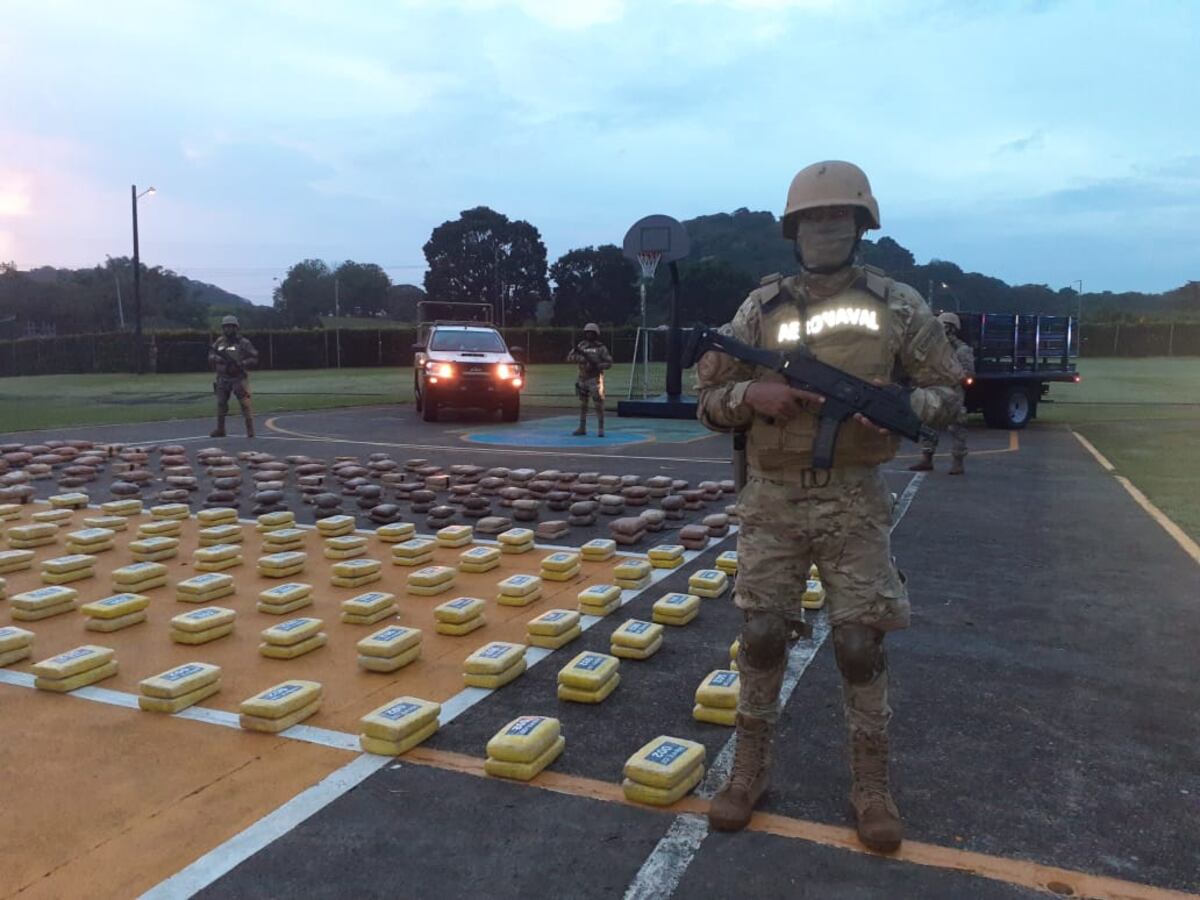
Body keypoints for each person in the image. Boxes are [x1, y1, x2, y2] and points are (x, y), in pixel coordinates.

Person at [694, 160, 965, 852]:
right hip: (773, 496)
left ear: (861, 225)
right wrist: (750, 397)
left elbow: (948, 391)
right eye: (813, 219)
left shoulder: (897, 304)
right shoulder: (759, 309)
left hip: (853, 499)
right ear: (794, 230)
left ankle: (871, 786)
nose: (825, 229)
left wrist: (902, 409)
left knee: (857, 641)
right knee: (759, 634)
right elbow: (708, 401)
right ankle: (747, 770)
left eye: (838, 217)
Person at [910, 312, 975, 475]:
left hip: (953, 391)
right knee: (928, 421)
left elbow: (968, 374)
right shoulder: (933, 349)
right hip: (933, 388)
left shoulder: (962, 350)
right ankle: (926, 458)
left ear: (953, 328)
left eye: (946, 326)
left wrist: (952, 375)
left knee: (957, 425)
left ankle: (958, 461)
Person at [208, 315, 259, 438]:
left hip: (238, 377)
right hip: (222, 377)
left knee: (245, 404)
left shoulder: (244, 343)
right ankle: (220, 429)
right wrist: (217, 358)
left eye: (230, 327)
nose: (228, 329)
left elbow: (254, 357)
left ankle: (250, 430)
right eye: (225, 327)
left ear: (236, 328)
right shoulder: (219, 342)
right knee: (221, 404)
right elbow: (210, 355)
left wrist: (242, 363)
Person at [567, 323, 612, 437]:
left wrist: (598, 365)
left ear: (596, 334)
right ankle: (582, 428)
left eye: (591, 333)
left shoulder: (601, 348)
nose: (589, 334)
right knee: (583, 404)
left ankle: (601, 429)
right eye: (587, 332)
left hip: (595, 379)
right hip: (582, 378)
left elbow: (609, 362)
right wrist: (583, 359)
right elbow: (570, 358)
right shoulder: (581, 346)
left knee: (598, 405)